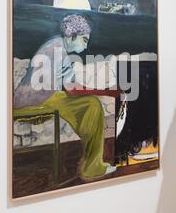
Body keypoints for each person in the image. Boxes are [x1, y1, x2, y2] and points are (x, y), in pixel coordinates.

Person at [14, 14, 117, 179]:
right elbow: (70, 89)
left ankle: (93, 165)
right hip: (34, 102)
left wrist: (101, 90)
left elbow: (71, 84)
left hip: (43, 98)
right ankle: (92, 167)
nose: (86, 46)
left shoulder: (59, 47)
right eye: (84, 40)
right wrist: (106, 91)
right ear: (73, 36)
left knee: (91, 103)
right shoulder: (56, 47)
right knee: (92, 104)